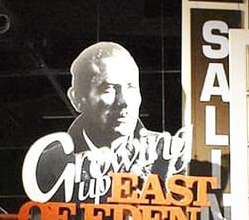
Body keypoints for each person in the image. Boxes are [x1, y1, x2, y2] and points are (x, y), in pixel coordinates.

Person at [29, 41, 188, 205]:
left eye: (131, 87)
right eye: (108, 89)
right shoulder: (50, 166)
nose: (124, 101)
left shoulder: (170, 159)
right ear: (77, 99)